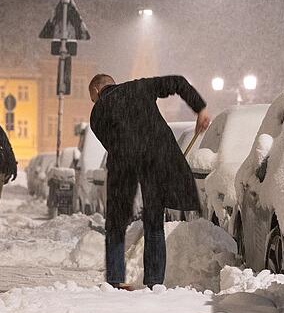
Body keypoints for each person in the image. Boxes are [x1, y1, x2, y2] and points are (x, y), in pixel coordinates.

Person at [89, 74, 211, 289]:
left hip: (124, 160)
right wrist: (200, 109)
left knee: (116, 223)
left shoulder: (97, 112)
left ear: (98, 91)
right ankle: (154, 282)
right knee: (154, 221)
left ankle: (116, 280)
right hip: (157, 156)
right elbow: (178, 82)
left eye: (93, 97)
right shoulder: (139, 87)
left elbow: (111, 145)